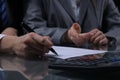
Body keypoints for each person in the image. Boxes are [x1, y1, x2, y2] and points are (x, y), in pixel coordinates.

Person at [23, 0, 120, 48]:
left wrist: (108, 38)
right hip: (52, 66)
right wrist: (65, 35)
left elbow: (117, 26)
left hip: (94, 63)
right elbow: (31, 28)